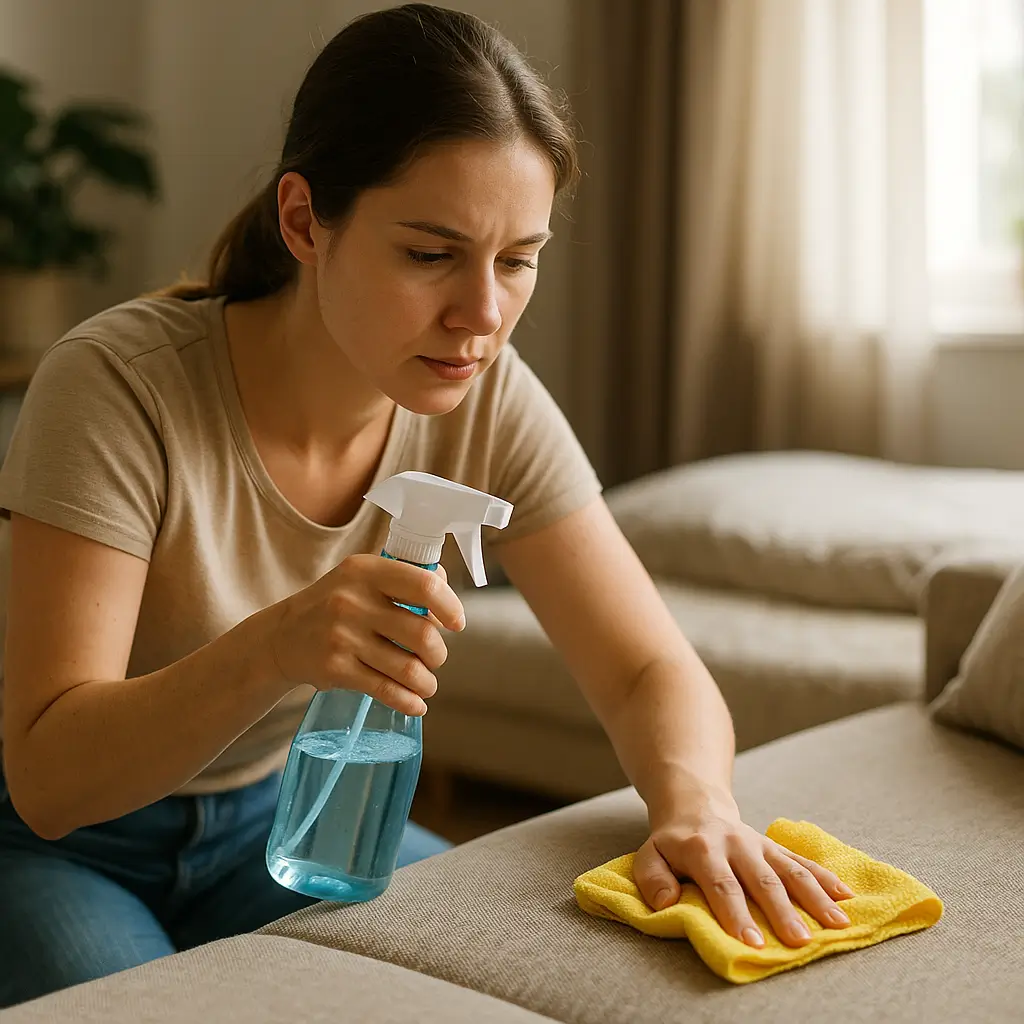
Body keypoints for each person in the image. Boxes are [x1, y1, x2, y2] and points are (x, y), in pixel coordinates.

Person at [0, 2, 854, 1008]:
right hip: (55, 848)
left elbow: (645, 668)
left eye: (517, 259)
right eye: (430, 254)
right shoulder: (118, 386)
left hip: (284, 816)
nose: (482, 316)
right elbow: (50, 781)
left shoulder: (487, 396)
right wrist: (275, 647)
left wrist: (696, 801)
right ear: (304, 221)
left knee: (496, 982)